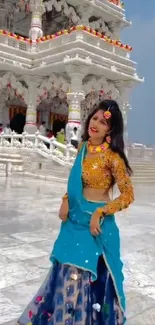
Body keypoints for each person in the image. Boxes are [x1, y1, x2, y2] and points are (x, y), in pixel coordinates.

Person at [17, 99, 134, 325]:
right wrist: (65, 200)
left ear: (110, 129)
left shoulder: (113, 158)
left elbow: (128, 195)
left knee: (82, 276)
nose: (96, 124)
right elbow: (74, 182)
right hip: (74, 221)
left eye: (103, 122)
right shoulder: (83, 149)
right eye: (95, 118)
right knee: (65, 272)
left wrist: (101, 212)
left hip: (97, 227)